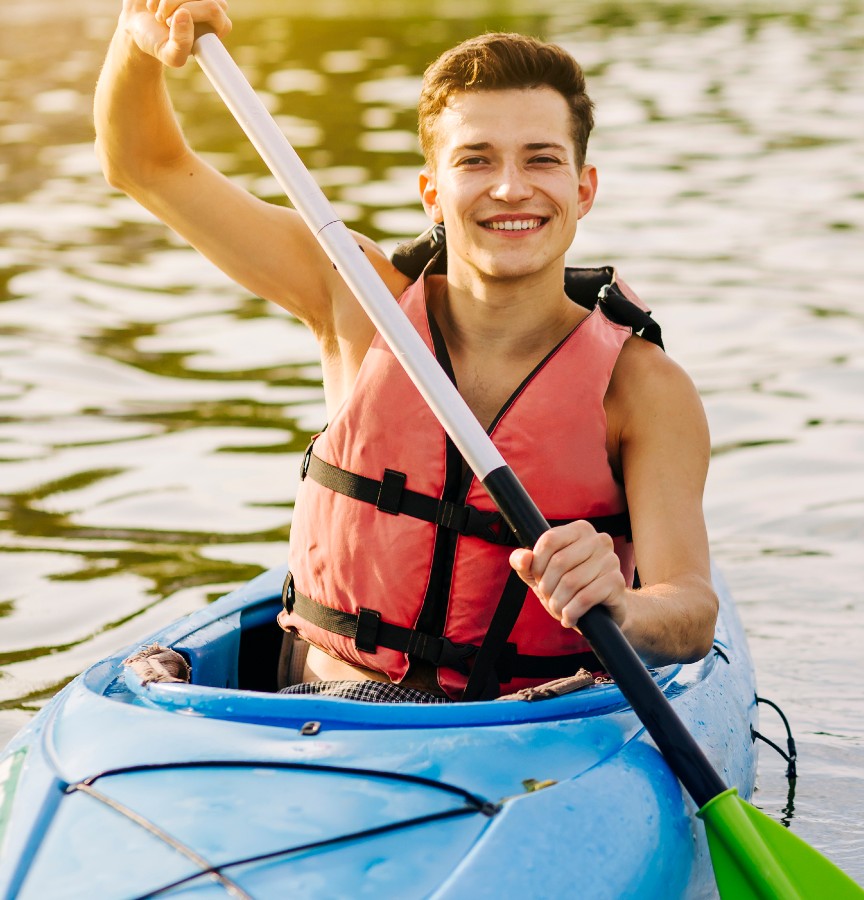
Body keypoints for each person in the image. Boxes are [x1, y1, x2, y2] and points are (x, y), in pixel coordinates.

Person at [95, 0, 718, 701]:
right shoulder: (357, 299)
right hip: (317, 721)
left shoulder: (643, 388)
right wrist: (137, 44)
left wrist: (623, 605)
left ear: (583, 189)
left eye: (540, 160)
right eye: (475, 161)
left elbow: (691, 610)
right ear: (432, 193)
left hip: (524, 733)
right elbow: (142, 164)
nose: (511, 187)